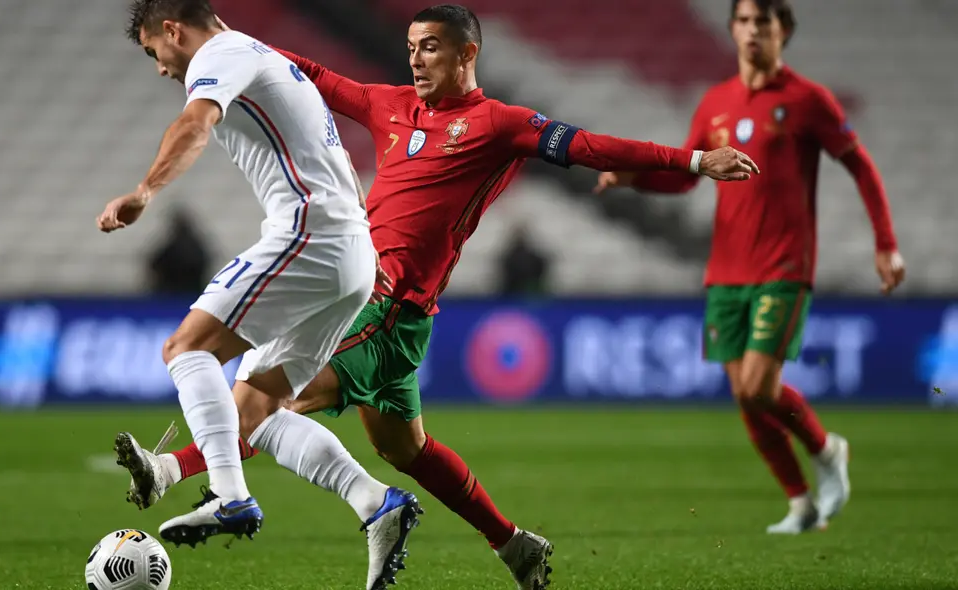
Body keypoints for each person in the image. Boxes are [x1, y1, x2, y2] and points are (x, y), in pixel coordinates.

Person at [116, 4, 758, 588]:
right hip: (385, 305)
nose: (417, 59)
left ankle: (174, 469)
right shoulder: (390, 105)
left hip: (387, 306)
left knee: (264, 401)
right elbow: (304, 72)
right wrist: (233, 43)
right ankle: (514, 546)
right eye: (411, 46)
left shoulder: (499, 123)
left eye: (430, 47)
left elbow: (586, 145)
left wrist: (695, 162)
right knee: (406, 450)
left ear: (466, 54)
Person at [103, 2, 421, 588]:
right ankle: (377, 503)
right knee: (261, 408)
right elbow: (346, 172)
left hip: (310, 232)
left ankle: (228, 496)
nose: (160, 68)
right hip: (350, 248)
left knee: (186, 350)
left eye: (154, 52)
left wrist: (146, 190)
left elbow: (195, 124)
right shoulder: (270, 59)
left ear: (172, 29)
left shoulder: (222, 53)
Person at [595, 0, 905, 534]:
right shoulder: (715, 101)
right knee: (744, 394)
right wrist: (633, 178)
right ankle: (801, 503)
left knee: (760, 386)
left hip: (784, 266)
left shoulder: (809, 100)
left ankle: (827, 448)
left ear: (783, 31)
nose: (753, 31)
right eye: (743, 21)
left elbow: (860, 165)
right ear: (733, 30)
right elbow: (688, 176)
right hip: (726, 270)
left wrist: (885, 243)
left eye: (764, 22)